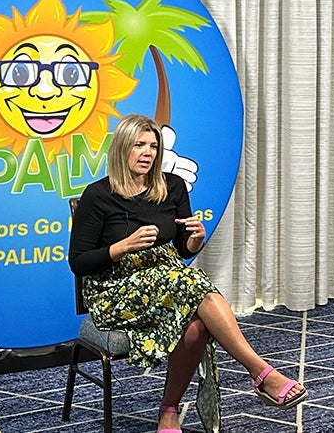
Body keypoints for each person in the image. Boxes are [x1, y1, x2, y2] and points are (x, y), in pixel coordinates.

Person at [69, 114, 307, 433]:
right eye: (139, 145)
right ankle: (260, 372)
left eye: (153, 146)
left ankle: (169, 410)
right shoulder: (98, 195)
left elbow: (183, 249)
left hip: (168, 281)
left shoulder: (172, 186)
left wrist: (195, 239)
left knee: (195, 326)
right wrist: (123, 246)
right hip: (117, 290)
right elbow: (78, 262)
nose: (147, 153)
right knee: (195, 284)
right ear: (122, 148)